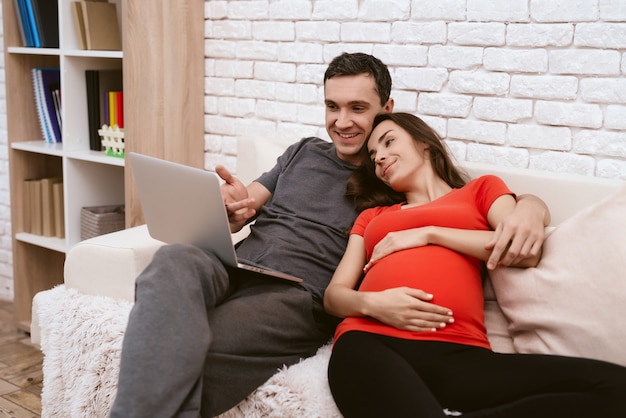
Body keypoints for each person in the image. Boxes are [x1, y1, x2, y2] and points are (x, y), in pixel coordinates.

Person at [109, 53, 549, 418]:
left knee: (201, 346)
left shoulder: (390, 176)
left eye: (358, 108)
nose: (342, 122)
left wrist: (531, 204)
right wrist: (233, 210)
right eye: (332, 107)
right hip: (237, 262)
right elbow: (248, 204)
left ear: (386, 109)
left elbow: (457, 197)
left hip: (297, 293)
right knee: (172, 260)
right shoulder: (301, 151)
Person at [324, 112, 626, 418]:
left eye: (389, 142)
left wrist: (430, 234)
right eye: (373, 155)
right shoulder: (373, 217)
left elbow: (523, 252)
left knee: (616, 387)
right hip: (371, 340)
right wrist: (375, 304)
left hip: (461, 354)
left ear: (424, 142)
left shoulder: (480, 191)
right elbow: (333, 296)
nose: (380, 158)